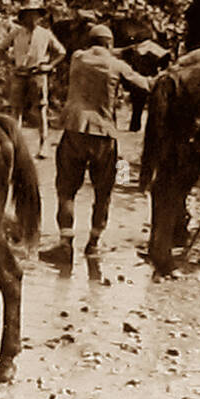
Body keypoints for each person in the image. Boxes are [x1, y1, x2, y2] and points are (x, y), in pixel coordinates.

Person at [39, 24, 152, 268]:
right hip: (103, 133)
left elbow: (102, 51)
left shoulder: (78, 58)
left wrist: (122, 50)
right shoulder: (117, 66)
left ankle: (65, 244)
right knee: (103, 193)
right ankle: (93, 245)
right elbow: (145, 85)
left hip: (74, 129)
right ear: (110, 44)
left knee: (66, 190)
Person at [2, 0, 67, 157]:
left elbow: (61, 52)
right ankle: (15, 145)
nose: (31, 19)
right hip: (20, 75)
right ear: (23, 17)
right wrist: (11, 64)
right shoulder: (16, 33)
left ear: (39, 17)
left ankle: (43, 145)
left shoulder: (45, 34)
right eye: (28, 15)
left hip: (38, 75)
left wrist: (50, 66)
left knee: (40, 110)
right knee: (16, 110)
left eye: (35, 15)